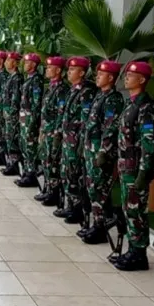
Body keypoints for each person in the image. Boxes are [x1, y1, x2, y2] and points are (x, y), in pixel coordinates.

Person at [114, 61, 154, 271]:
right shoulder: (130, 103)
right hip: (126, 165)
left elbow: (148, 143)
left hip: (136, 167)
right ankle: (133, 249)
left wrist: (144, 171)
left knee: (136, 210)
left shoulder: (146, 107)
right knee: (128, 208)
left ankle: (139, 253)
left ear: (142, 80)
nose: (126, 78)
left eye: (131, 75)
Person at [79, 60, 125, 244]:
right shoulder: (100, 96)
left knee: (99, 188)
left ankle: (101, 226)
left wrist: (103, 151)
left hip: (101, 152)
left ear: (111, 77)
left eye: (101, 74)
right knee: (92, 187)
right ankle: (97, 223)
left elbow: (110, 128)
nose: (97, 77)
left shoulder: (114, 99)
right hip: (91, 149)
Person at [55, 57, 98, 220]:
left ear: (81, 72)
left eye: (72, 70)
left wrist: (80, 143)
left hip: (76, 140)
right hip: (68, 139)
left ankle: (78, 208)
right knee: (67, 172)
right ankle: (71, 205)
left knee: (75, 173)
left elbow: (85, 120)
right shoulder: (73, 89)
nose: (69, 72)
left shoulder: (86, 91)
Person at [36, 57, 70, 206]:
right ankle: (48, 189)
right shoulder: (50, 87)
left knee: (53, 162)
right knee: (46, 160)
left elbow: (61, 114)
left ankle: (54, 193)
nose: (47, 70)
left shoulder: (62, 90)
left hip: (54, 133)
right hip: (46, 130)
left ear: (58, 71)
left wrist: (57, 134)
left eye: (50, 68)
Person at [15, 53, 45, 187]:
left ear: (33, 65)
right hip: (24, 117)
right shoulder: (29, 78)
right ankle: (27, 172)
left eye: (28, 63)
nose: (25, 65)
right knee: (24, 146)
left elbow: (36, 103)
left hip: (29, 119)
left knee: (30, 147)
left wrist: (32, 122)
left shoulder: (36, 80)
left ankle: (31, 174)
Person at [0, 52, 23, 176]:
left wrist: (11, 113)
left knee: (12, 140)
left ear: (15, 63)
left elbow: (16, 98)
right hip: (7, 113)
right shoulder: (11, 77)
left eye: (9, 60)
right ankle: (10, 164)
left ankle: (14, 165)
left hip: (12, 115)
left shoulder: (17, 78)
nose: (6, 62)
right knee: (8, 139)